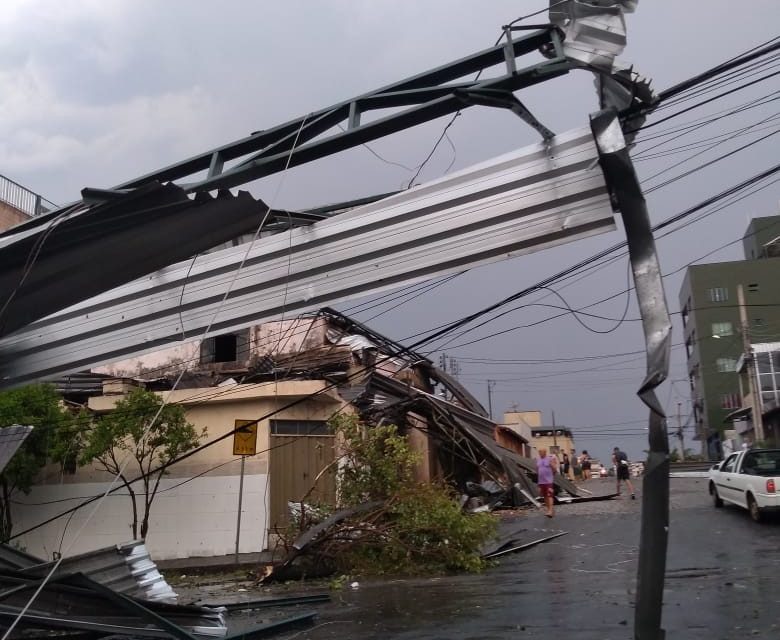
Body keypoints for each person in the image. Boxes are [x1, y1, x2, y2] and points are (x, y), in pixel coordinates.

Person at [536, 447, 558, 518]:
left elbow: (554, 469)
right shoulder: (538, 460)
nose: (540, 454)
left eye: (541, 452)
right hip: (541, 481)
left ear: (545, 452)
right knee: (545, 496)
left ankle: (550, 510)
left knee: (550, 495)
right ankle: (549, 510)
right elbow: (537, 469)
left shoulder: (549, 459)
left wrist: (551, 475)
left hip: (548, 481)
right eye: (539, 452)